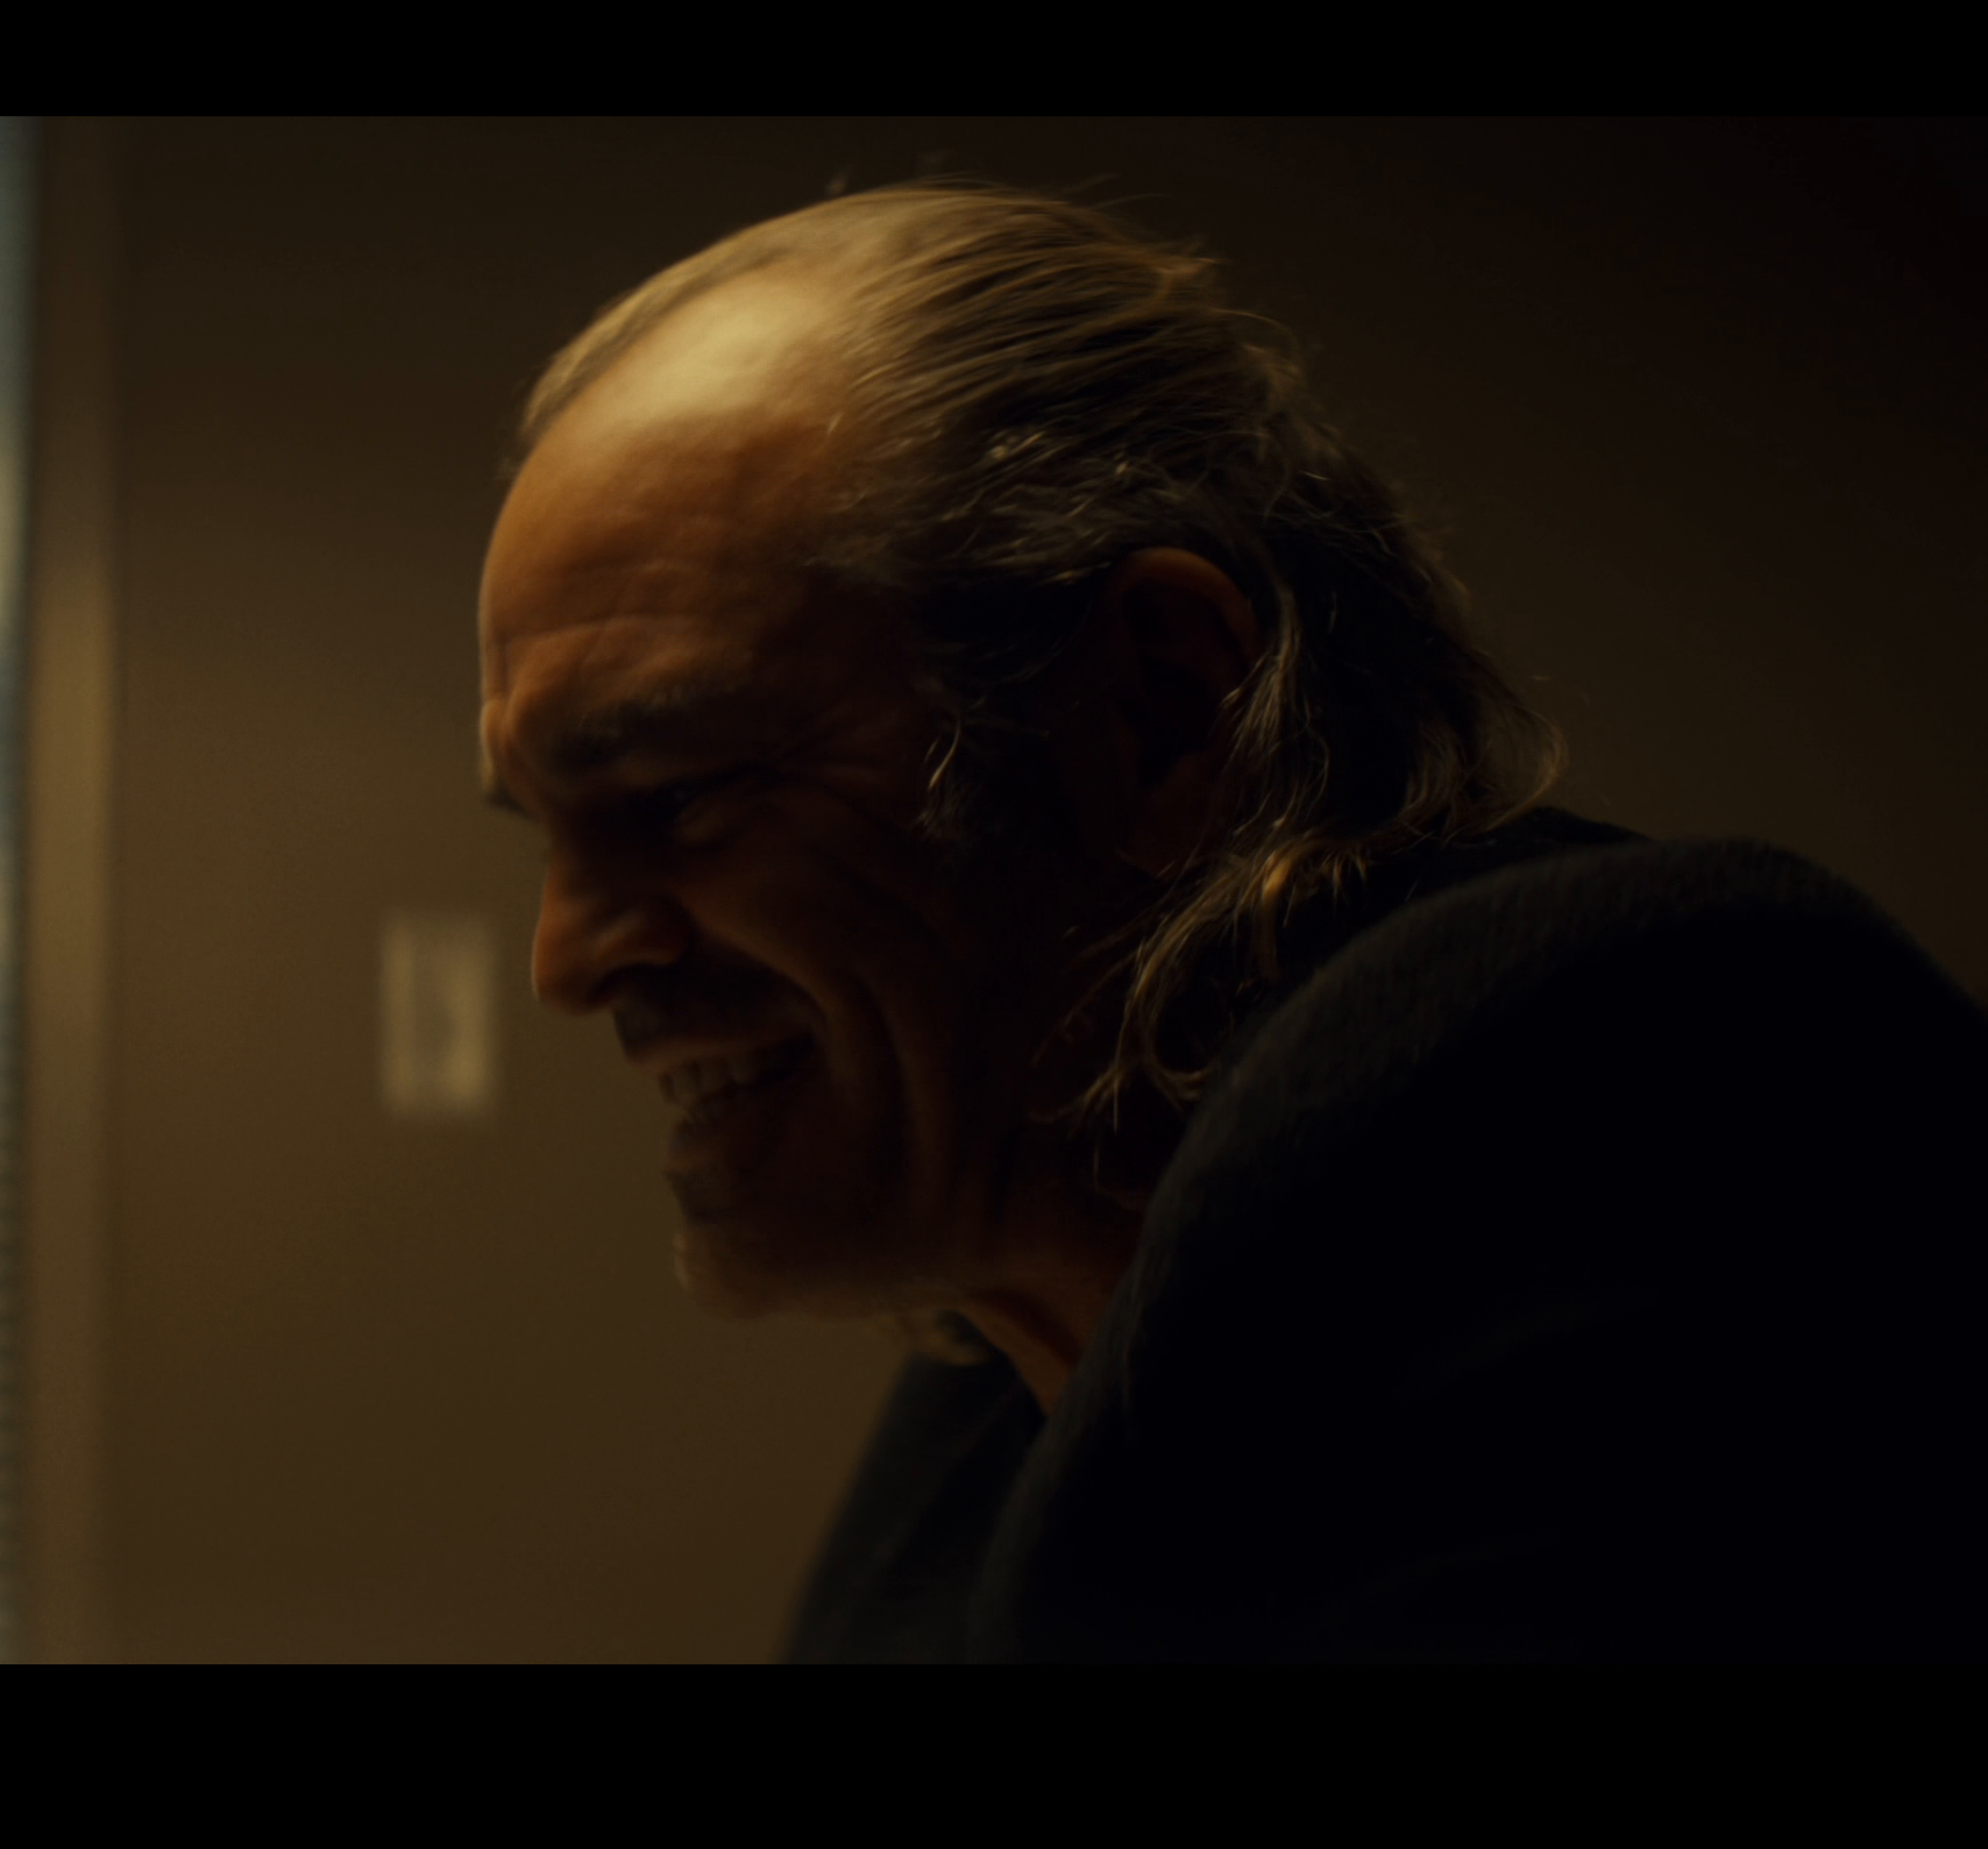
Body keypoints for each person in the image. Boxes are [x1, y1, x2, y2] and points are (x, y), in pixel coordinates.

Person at [475, 182, 1988, 1661]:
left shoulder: (1610, 1070)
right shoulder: (1012, 1359)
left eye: (678, 794)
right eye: (547, 832)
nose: (567, 962)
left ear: (1161, 705)